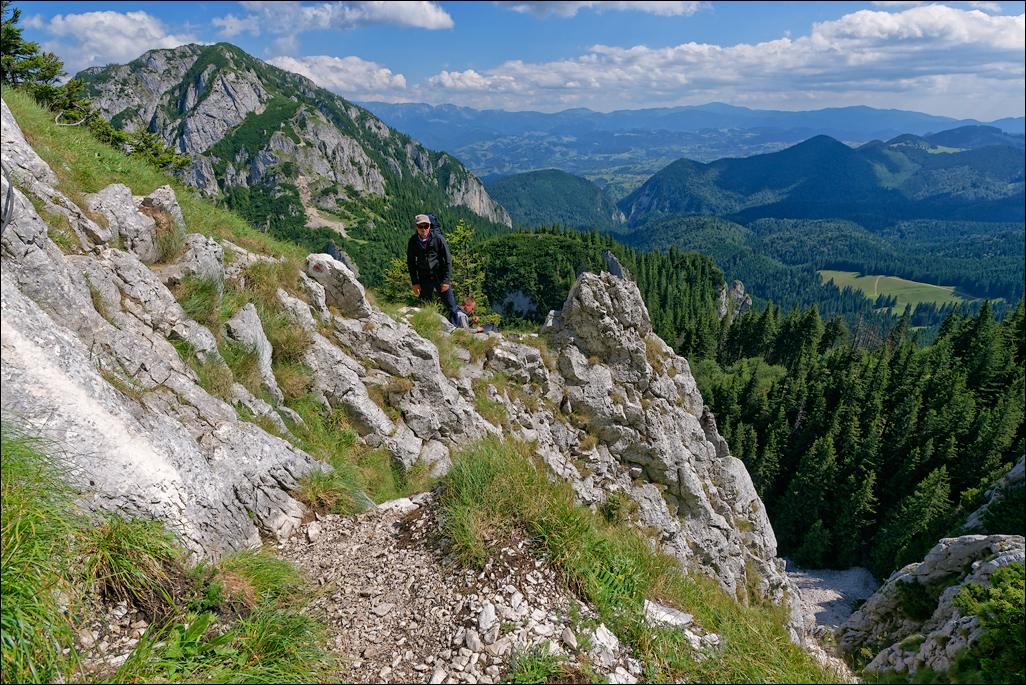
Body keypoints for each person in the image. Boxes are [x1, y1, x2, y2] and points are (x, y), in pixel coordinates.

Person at [407, 213, 459, 324]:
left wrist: (446, 280)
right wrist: (415, 282)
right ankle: (425, 327)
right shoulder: (413, 242)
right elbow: (411, 263)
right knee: (424, 306)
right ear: (416, 227)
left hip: (440, 277)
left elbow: (448, 260)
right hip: (424, 278)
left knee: (451, 306)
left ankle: (457, 331)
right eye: (421, 227)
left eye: (426, 226)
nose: (424, 229)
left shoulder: (438, 239)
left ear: (430, 226)